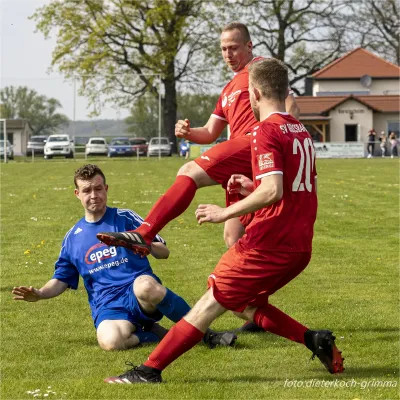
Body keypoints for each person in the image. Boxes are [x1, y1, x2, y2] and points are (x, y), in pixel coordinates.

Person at [104, 58, 344, 384]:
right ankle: (313, 339)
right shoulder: (301, 131)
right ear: (285, 90)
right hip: (298, 247)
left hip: (266, 244)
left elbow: (273, 190)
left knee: (208, 304)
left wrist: (225, 212)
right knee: (244, 303)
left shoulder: (264, 131)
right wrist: (249, 187)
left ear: (255, 93)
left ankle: (149, 371)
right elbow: (289, 185)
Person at [96, 21, 299, 255]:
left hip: (255, 145)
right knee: (233, 237)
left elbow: (291, 106)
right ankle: (256, 284)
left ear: (249, 46)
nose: (228, 54)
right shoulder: (228, 90)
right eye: (223, 49)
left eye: (233, 47)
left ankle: (144, 233)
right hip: (243, 161)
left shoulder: (259, 69)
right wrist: (188, 132)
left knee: (189, 171)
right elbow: (211, 132)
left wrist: (275, 140)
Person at [11, 164, 236, 351]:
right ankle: (155, 334)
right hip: (107, 306)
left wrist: (143, 243)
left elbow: (164, 252)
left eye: (98, 189)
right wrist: (40, 294)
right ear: (77, 194)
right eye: (87, 190)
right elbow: (61, 280)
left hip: (138, 293)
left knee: (146, 285)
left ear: (106, 188)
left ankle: (206, 334)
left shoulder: (125, 218)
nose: (94, 195)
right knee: (110, 343)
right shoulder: (72, 238)